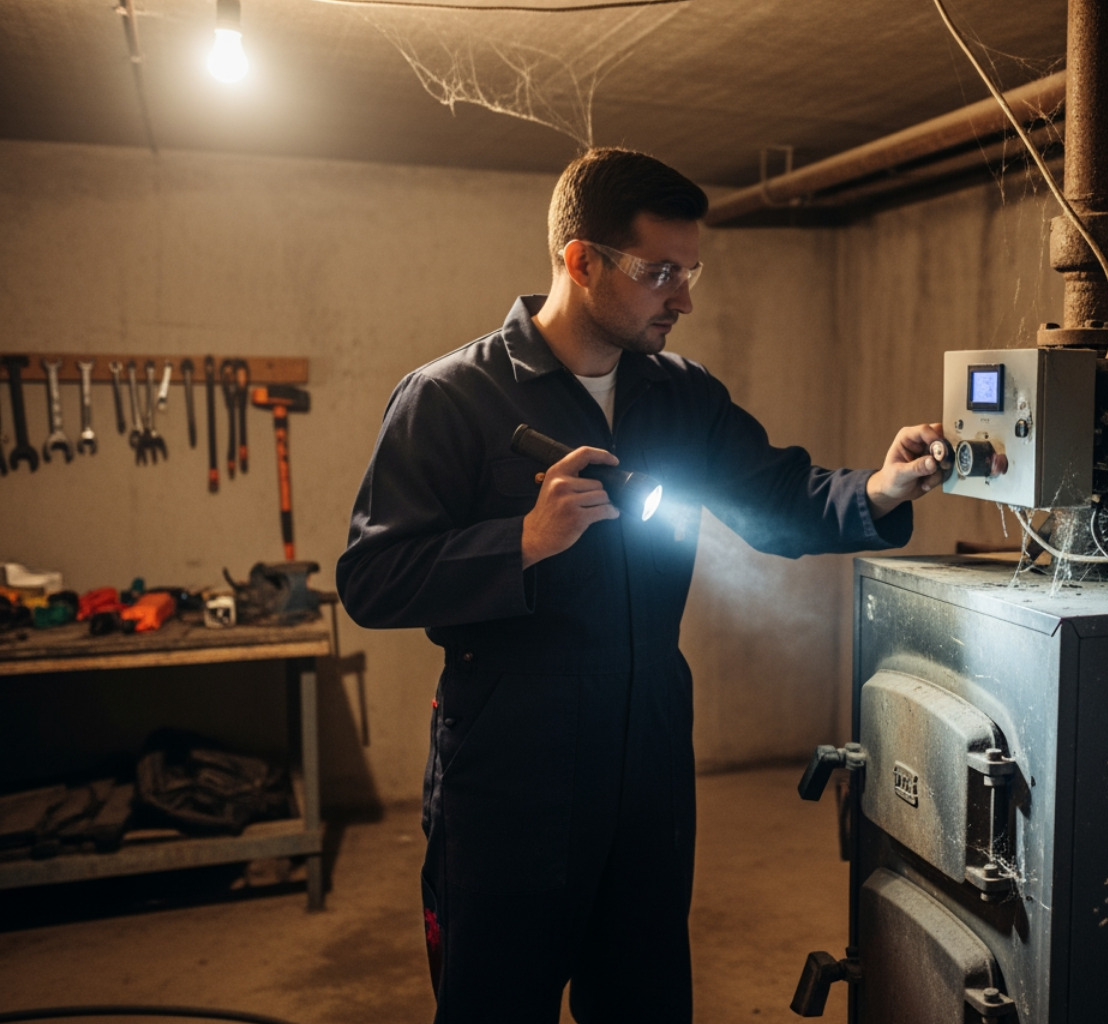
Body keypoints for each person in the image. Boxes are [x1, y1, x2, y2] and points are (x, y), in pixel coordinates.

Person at [336, 146, 942, 1023]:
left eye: (690, 271)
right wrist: (521, 541)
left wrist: (880, 488)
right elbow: (372, 576)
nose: (684, 298)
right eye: (660, 272)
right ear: (581, 261)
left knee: (647, 997)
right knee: (496, 1001)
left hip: (649, 746)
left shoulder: (682, 396)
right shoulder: (451, 399)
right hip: (511, 761)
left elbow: (776, 497)